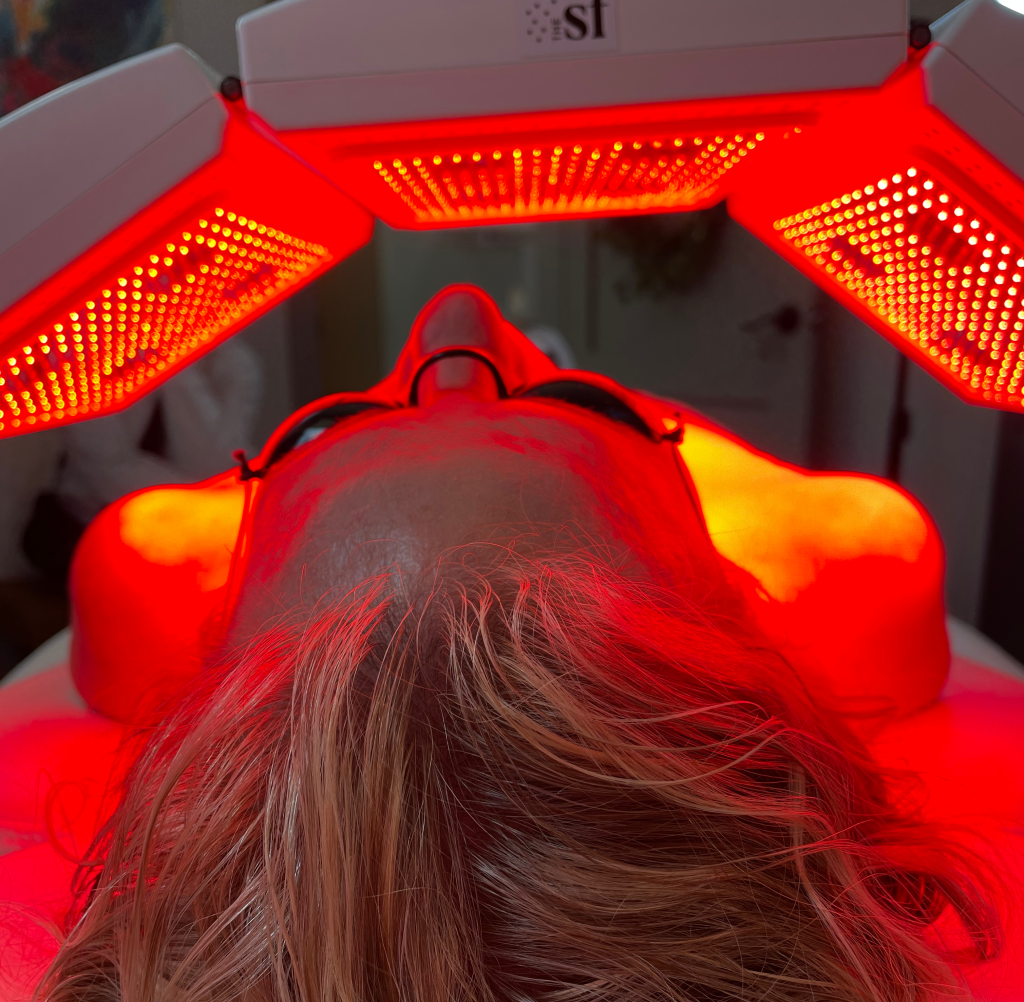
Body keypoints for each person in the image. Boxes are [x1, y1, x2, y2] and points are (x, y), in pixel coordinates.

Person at [2, 286, 1021, 1001]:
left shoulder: (165, 567)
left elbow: (129, 557)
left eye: (330, 427)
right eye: (577, 404)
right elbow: (873, 546)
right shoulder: (823, 550)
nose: (454, 312)